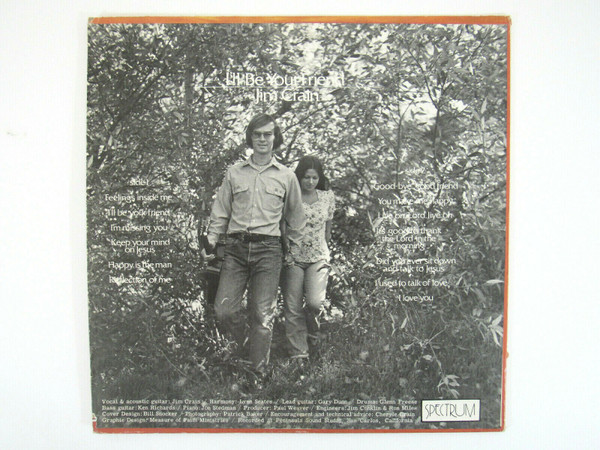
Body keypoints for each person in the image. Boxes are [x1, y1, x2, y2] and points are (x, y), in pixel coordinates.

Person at [202, 113, 305, 377]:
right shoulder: (234, 172)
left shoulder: (286, 176)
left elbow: (295, 218)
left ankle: (257, 374)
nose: (262, 139)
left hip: (269, 251)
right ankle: (243, 349)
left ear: (275, 137)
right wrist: (211, 240)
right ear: (250, 137)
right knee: (224, 311)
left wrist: (293, 251)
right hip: (235, 249)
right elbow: (221, 211)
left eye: (267, 134)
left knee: (262, 315)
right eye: (257, 134)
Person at [282, 155, 335, 360]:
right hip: (293, 258)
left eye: (314, 177)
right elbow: (282, 225)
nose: (310, 181)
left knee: (315, 302)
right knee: (293, 306)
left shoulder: (327, 197)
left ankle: (313, 333)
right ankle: (298, 352)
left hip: (318, 257)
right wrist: (287, 251)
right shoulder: (291, 196)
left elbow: (328, 228)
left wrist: (325, 251)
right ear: (299, 177)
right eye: (306, 177)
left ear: (319, 178)